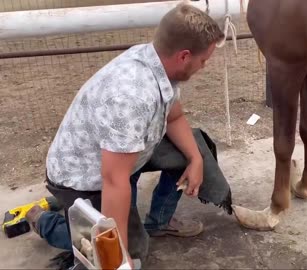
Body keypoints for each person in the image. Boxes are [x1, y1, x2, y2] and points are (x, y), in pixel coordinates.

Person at [25, 3, 228, 269]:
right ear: (184, 56)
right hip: (84, 178)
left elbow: (174, 116)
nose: (205, 66)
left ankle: (159, 221)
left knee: (196, 145)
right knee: (126, 254)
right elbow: (113, 179)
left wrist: (195, 159)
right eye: (204, 59)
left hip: (122, 156)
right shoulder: (131, 97)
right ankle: (46, 222)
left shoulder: (159, 63)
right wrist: (118, 256)